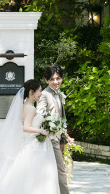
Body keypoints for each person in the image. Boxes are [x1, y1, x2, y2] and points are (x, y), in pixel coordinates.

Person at [37, 65, 73, 194]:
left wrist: (63, 139)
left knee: (53, 171)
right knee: (60, 171)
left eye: (58, 78)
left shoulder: (59, 94)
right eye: (52, 79)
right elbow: (39, 115)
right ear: (46, 80)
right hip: (50, 138)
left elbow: (61, 118)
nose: (56, 82)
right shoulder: (44, 95)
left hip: (58, 138)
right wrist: (47, 132)